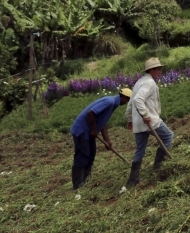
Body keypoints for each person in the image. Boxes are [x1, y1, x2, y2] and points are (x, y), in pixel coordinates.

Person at [69, 87, 132, 190]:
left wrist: (107, 140)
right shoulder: (109, 102)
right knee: (83, 155)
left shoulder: (113, 104)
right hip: (82, 130)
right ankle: (78, 185)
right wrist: (94, 129)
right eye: (127, 100)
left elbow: (102, 122)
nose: (127, 102)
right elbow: (91, 113)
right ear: (124, 97)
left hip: (89, 131)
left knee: (91, 154)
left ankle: (85, 180)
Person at [125, 57, 174, 187]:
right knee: (168, 136)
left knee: (140, 149)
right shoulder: (149, 83)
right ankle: (158, 167)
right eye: (158, 69)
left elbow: (131, 102)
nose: (160, 71)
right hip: (150, 120)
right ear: (151, 70)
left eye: (160, 69)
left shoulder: (139, 82)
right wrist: (146, 115)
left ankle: (133, 180)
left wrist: (130, 119)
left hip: (139, 122)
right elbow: (137, 100)